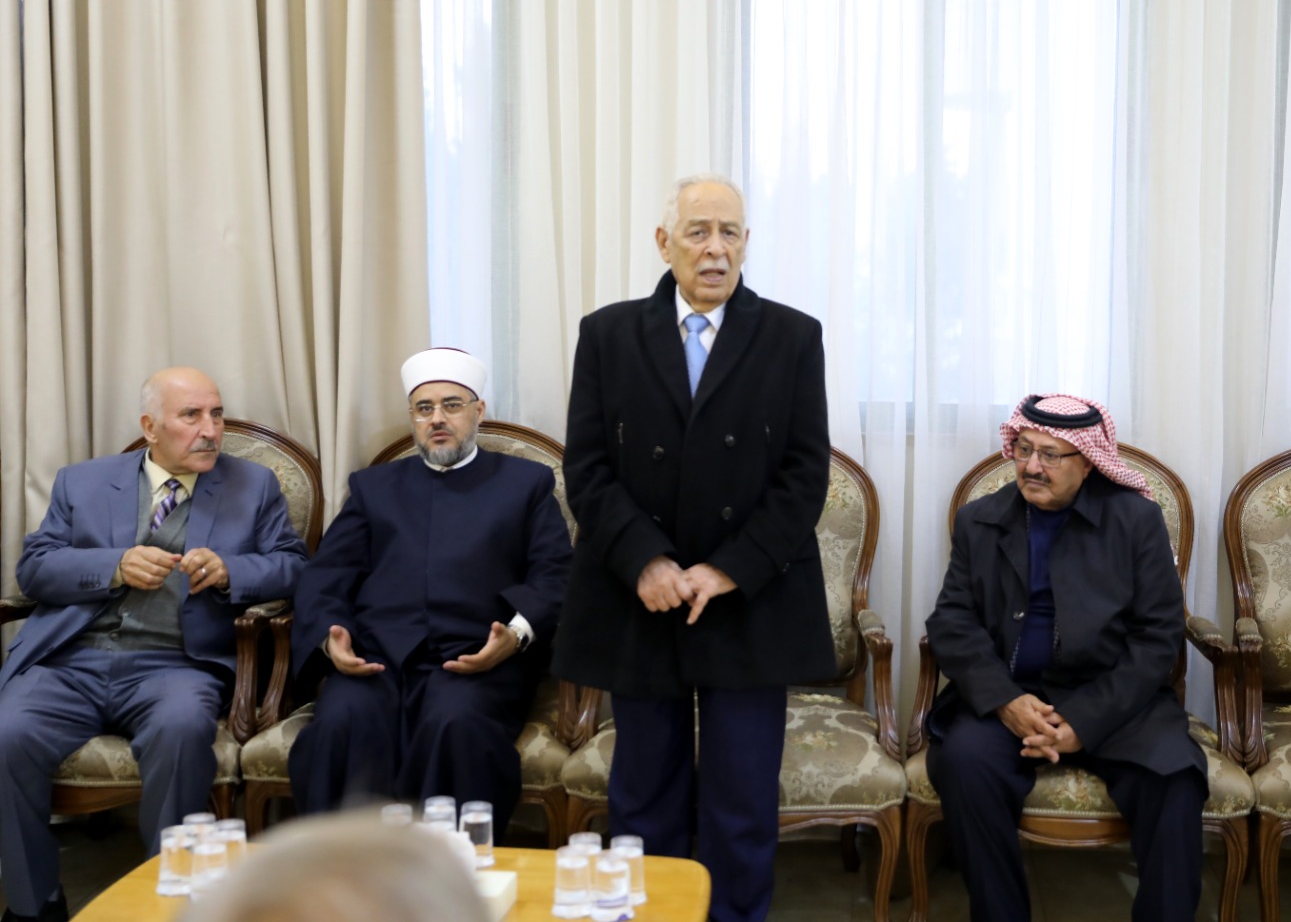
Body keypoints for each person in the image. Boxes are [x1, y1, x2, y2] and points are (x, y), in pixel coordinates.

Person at [552, 174, 835, 922]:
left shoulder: (793, 336)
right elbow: (587, 468)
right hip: (643, 597)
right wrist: (644, 560)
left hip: (748, 599)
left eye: (730, 232)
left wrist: (729, 568)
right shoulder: (607, 334)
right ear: (664, 243)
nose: (715, 249)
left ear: (746, 243)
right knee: (645, 794)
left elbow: (805, 474)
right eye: (699, 232)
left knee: (742, 799)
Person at [0, 368, 308, 922]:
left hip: (176, 665)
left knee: (182, 731)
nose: (211, 430)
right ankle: (33, 904)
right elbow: (35, 568)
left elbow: (294, 567)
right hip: (70, 661)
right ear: (150, 427)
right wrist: (113, 565)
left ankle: (166, 900)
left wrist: (231, 570)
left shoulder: (253, 485)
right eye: (191, 416)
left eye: (215, 413)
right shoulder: (83, 482)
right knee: (6, 735)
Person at [923, 393, 1206, 922]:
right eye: (1024, 449)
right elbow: (951, 622)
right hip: (1011, 698)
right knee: (963, 762)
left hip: (1113, 701)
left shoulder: (1136, 520)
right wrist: (1005, 701)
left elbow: (1157, 637)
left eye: (1051, 455)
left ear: (1089, 461)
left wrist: (1084, 720)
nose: (1032, 466)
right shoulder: (980, 520)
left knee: (1174, 778)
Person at [288, 348, 572, 840]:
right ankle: (340, 874)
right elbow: (325, 574)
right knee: (339, 724)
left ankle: (455, 871)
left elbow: (556, 576)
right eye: (424, 408)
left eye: (451, 405)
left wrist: (515, 636)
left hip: (476, 659)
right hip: (376, 658)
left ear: (478, 411)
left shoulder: (525, 483)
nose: (437, 418)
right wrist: (331, 641)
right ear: (413, 418)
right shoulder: (374, 487)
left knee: (456, 726)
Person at [179, 810, 489, 922]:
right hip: (364, 686)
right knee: (339, 723)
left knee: (454, 720)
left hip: (461, 689)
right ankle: (317, 856)